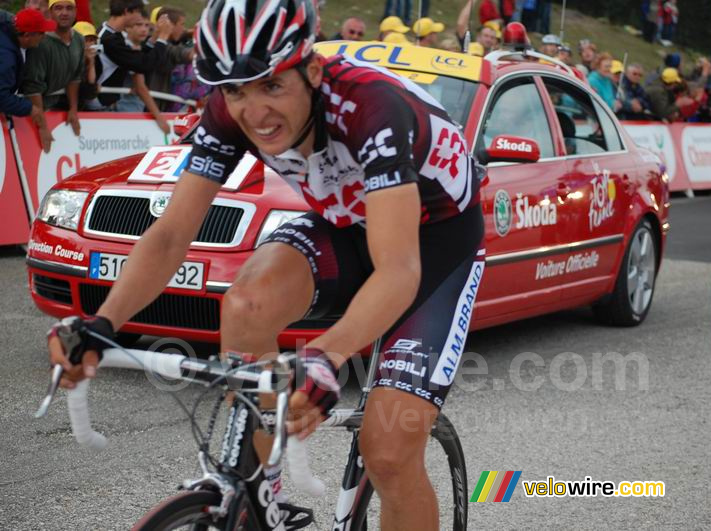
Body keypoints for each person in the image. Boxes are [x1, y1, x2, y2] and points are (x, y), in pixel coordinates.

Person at [48, 2, 484, 531]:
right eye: (236, 91)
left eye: (272, 86)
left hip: (433, 244)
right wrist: (102, 324)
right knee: (247, 299)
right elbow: (169, 235)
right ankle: (260, 499)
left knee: (389, 453)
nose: (254, 112)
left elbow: (397, 269)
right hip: (345, 225)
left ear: (314, 71)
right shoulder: (227, 111)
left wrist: (326, 356)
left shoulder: (372, 109)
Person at [22, 0, 84, 153]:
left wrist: (73, 109)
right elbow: (32, 86)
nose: (64, 13)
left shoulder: (79, 39)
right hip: (29, 112)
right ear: (49, 13)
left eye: (69, 8)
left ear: (75, 12)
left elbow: (74, 77)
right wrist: (42, 126)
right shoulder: (41, 41)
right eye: (58, 8)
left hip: (56, 109)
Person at [96, 0, 173, 109]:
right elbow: (142, 65)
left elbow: (135, 57)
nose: (140, 16)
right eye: (138, 12)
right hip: (94, 106)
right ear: (127, 11)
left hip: (104, 105)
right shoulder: (107, 39)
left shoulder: (114, 34)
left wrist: (155, 37)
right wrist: (163, 38)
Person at [0, 8, 52, 120]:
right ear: (27, 35)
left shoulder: (8, 37)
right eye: (41, 33)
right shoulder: (6, 58)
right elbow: (1, 96)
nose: (44, 36)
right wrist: (29, 108)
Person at [146, 6, 193, 111]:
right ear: (169, 25)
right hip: (151, 108)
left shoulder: (157, 41)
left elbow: (182, 34)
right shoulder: (163, 47)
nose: (183, 29)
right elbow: (185, 54)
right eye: (182, 24)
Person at [72, 20, 98, 110]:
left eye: (92, 40)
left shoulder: (91, 59)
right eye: (85, 40)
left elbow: (90, 91)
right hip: (58, 109)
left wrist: (91, 62)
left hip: (79, 108)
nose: (90, 44)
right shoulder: (68, 60)